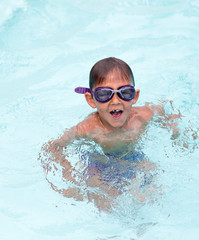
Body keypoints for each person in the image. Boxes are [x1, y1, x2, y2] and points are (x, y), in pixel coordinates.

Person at [41, 57, 182, 211]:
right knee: (107, 204)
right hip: (99, 164)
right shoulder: (89, 128)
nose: (115, 101)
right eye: (104, 94)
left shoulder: (142, 116)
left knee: (156, 188)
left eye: (125, 92)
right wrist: (69, 174)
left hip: (133, 158)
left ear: (134, 96)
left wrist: (176, 131)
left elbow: (166, 107)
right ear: (91, 99)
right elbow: (53, 147)